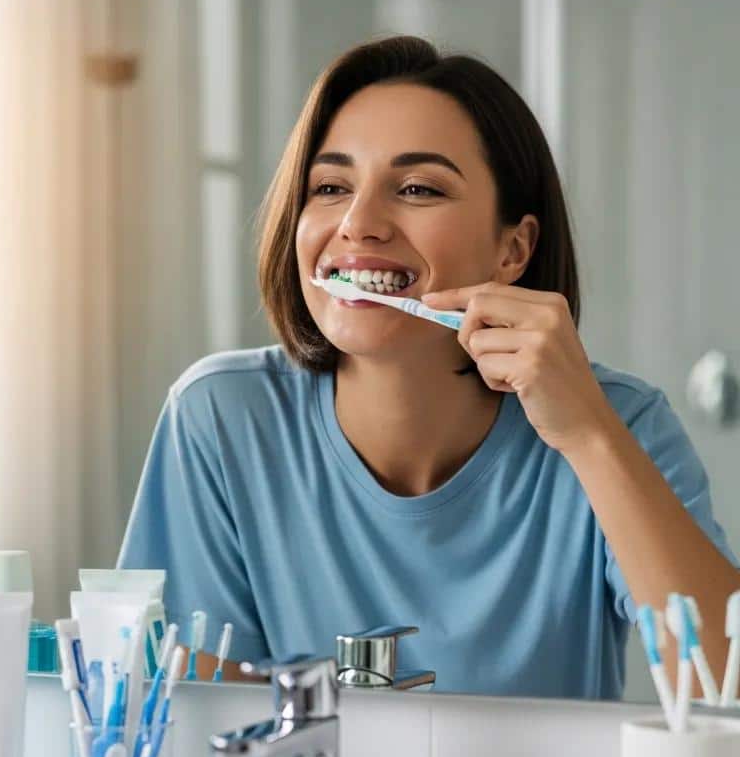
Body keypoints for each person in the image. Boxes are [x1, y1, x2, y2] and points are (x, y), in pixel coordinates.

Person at [118, 35, 739, 698]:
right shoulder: (222, 419)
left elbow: (725, 692)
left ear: (513, 247)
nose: (358, 223)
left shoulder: (618, 422)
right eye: (329, 186)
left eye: (416, 188)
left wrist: (589, 435)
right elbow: (192, 733)